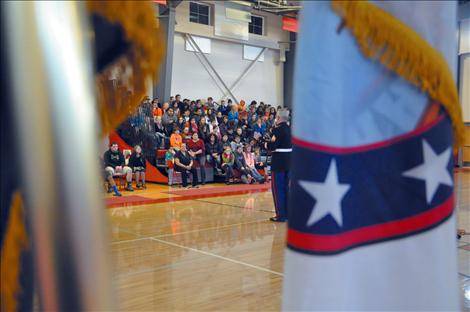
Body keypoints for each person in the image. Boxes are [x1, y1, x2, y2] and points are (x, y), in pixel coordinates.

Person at [265, 109, 291, 222]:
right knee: (287, 189)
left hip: (279, 163)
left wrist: (265, 143)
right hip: (290, 162)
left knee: (278, 189)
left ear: (279, 118)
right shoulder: (291, 129)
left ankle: (281, 215)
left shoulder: (277, 130)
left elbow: (273, 146)